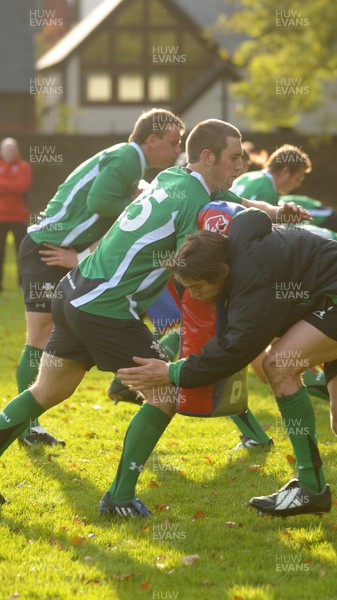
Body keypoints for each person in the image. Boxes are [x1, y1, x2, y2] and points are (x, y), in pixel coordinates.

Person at [0, 119, 309, 513]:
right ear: (208, 156)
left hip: (76, 290)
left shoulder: (175, 177)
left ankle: (119, 495)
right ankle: (120, 498)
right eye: (234, 157)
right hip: (104, 307)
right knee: (163, 395)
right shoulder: (192, 200)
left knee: (48, 392)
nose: (241, 165)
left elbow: (237, 201)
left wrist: (277, 212)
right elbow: (193, 271)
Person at [118, 209, 337, 523]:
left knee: (278, 365)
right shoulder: (237, 253)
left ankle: (310, 485)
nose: (194, 295)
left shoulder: (253, 279)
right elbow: (250, 220)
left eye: (198, 287)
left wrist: (171, 372)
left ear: (222, 272)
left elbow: (237, 349)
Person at [16, 109, 184, 446]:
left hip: (59, 249)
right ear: (150, 141)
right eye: (172, 143)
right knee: (39, 336)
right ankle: (27, 427)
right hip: (44, 247)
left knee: (47, 340)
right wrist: (136, 199)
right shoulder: (127, 157)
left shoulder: (132, 165)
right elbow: (100, 201)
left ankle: (27, 423)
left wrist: (75, 258)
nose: (176, 150)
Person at [232, 144, 337, 235]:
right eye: (298, 179)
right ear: (285, 171)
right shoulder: (268, 190)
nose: (298, 185)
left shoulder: (248, 176)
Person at [0, 138, 31, 291]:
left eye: (12, 149)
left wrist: (3, 185)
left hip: (19, 217)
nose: (9, 153)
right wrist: (11, 186)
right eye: (6, 149)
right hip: (1, 218)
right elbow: (16, 187)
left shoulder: (23, 167)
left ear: (16, 150)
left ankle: (22, 284)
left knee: (22, 252)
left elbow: (22, 187)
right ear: (1, 151)